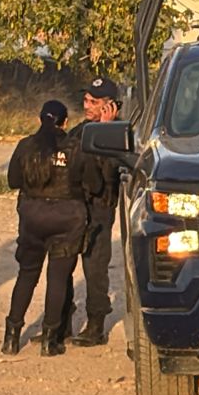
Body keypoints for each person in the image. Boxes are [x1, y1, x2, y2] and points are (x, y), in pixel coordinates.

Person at [4, 100, 94, 357]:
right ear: (65, 122)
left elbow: (13, 180)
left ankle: (11, 337)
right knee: (57, 279)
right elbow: (92, 183)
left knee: (26, 275)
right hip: (67, 219)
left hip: (32, 217)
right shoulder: (76, 148)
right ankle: (50, 340)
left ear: (40, 119)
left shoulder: (26, 146)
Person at [68, 77, 123, 347]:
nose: (87, 106)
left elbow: (112, 172)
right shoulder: (80, 131)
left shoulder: (119, 134)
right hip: (74, 206)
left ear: (110, 106)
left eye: (94, 101)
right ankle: (61, 323)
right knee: (64, 262)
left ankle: (96, 325)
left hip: (100, 208)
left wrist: (106, 130)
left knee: (95, 267)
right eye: (86, 100)